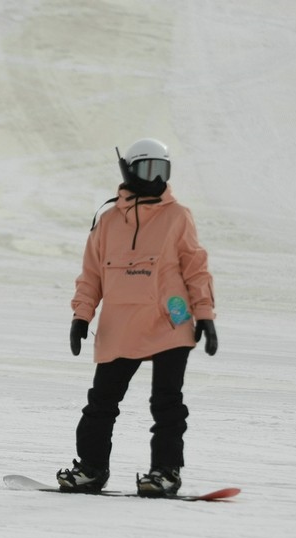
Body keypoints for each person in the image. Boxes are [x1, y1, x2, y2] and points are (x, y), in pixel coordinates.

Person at [57, 138, 218, 497]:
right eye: (147, 169)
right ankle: (91, 469)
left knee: (167, 403)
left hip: (170, 319)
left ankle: (165, 472)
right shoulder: (108, 221)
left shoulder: (177, 216)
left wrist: (204, 314)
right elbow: (91, 275)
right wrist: (81, 316)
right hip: (120, 323)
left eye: (163, 170)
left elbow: (196, 267)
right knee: (101, 403)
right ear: (128, 171)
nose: (156, 179)